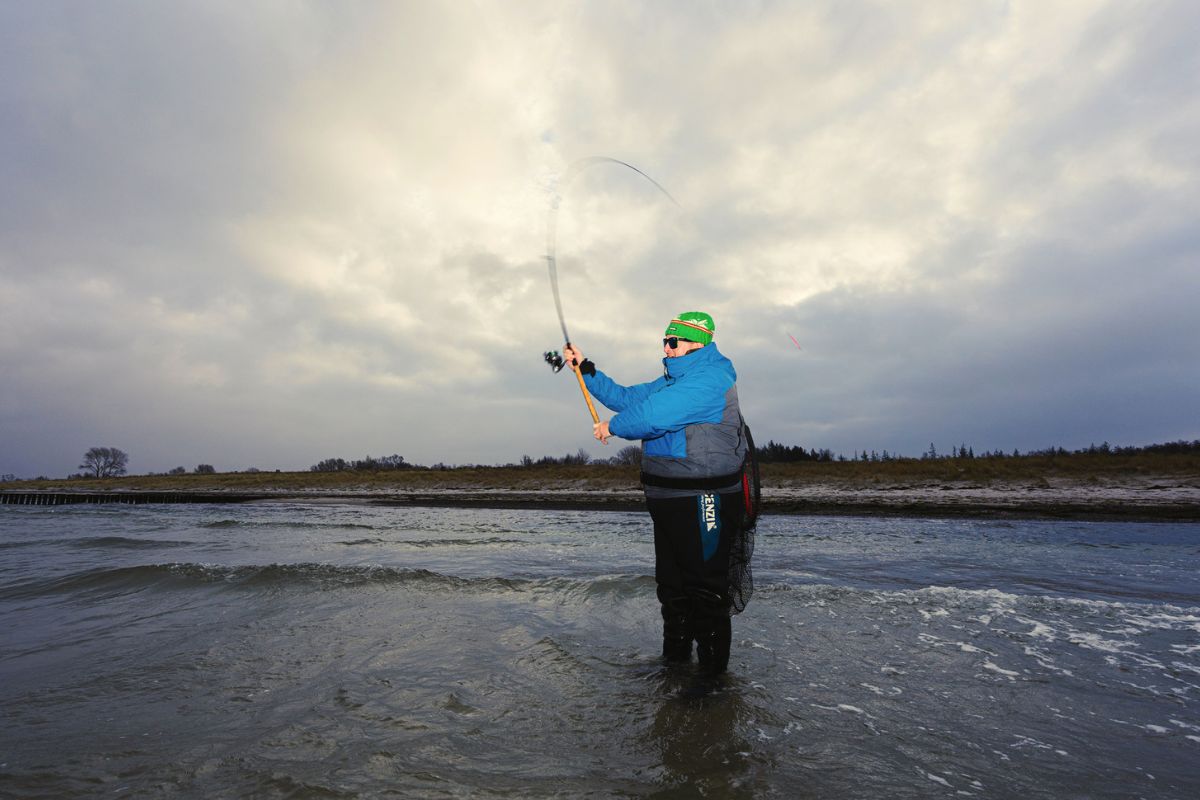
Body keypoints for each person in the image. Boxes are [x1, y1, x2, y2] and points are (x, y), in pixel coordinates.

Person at [563, 311, 750, 675]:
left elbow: (653, 416)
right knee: (673, 589)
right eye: (664, 340)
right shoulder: (671, 379)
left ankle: (712, 687)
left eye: (673, 342)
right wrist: (584, 369)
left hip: (703, 499)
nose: (665, 347)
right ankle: (675, 666)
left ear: (697, 343)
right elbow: (629, 398)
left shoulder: (712, 378)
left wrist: (611, 428)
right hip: (666, 500)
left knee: (705, 592)